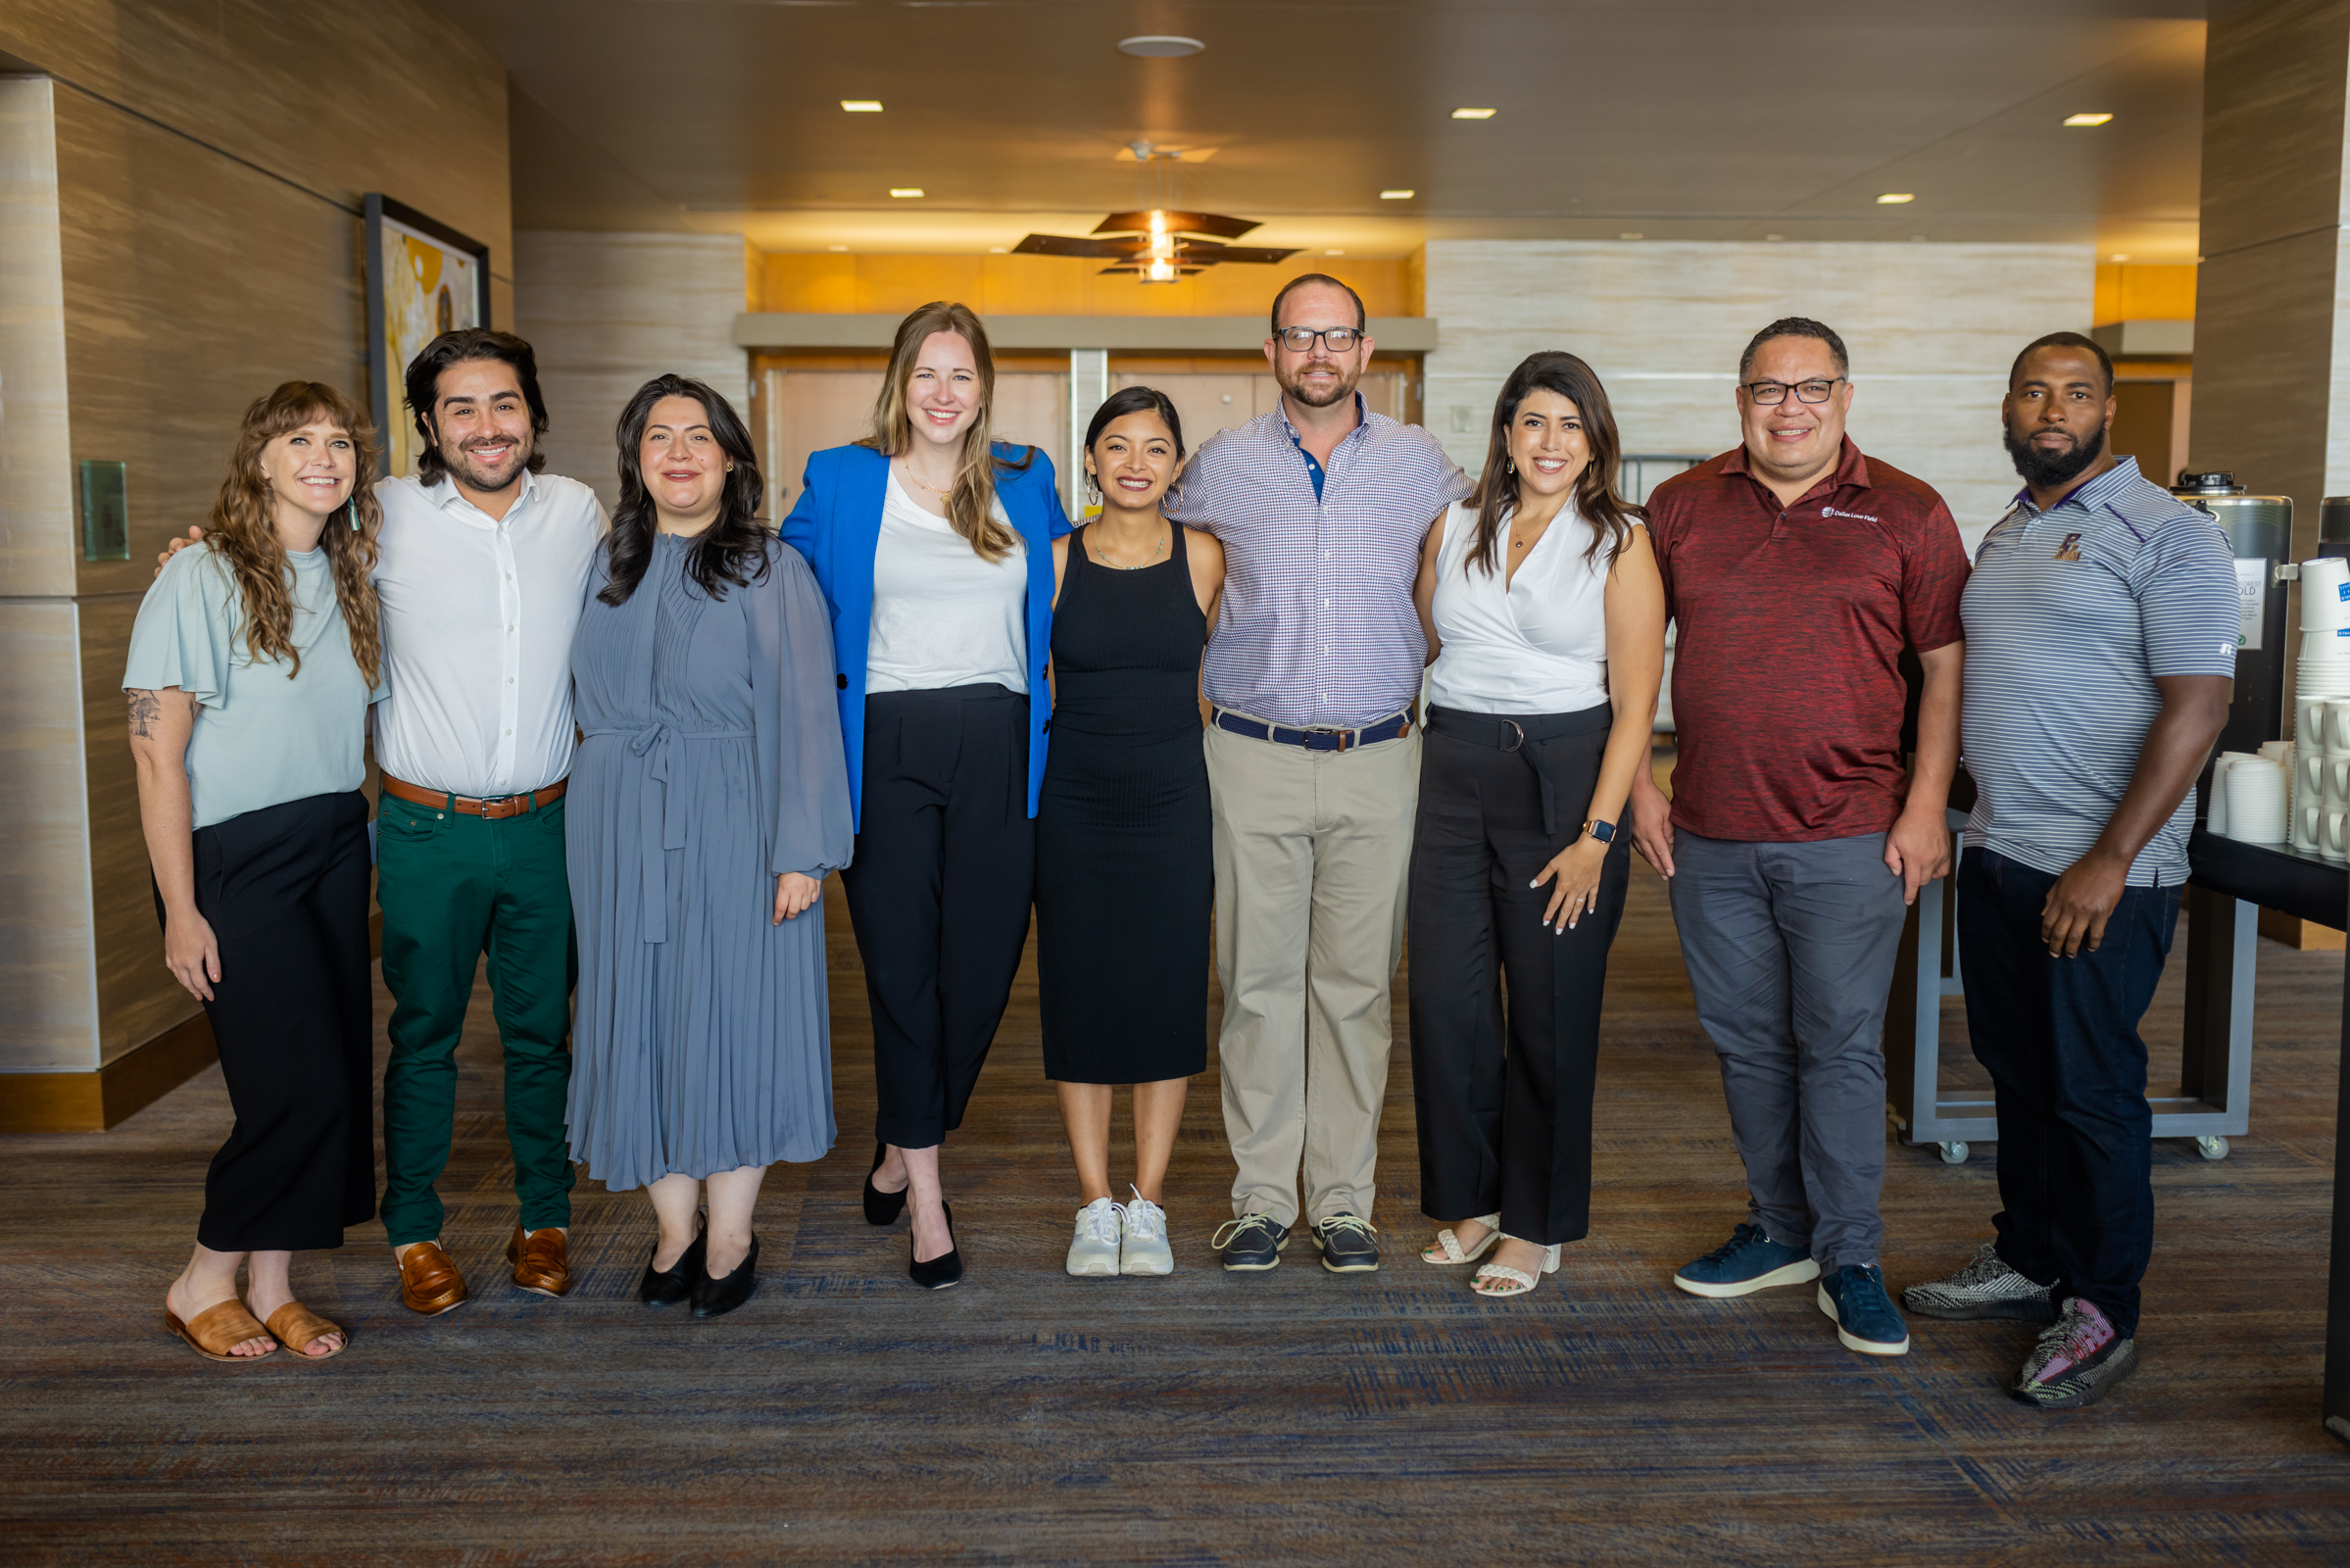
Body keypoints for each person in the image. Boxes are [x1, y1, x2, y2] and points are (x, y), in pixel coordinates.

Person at [164, 330, 608, 1315]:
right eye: (460, 408)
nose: (486, 426)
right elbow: (279, 544)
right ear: (427, 426)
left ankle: (547, 1216)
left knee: (542, 1036)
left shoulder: (578, 512)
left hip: (545, 826)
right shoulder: (383, 513)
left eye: (503, 404)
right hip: (422, 832)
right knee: (424, 1036)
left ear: (533, 413)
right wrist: (199, 553)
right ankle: (415, 1228)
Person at [1626, 317, 1969, 1357]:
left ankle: (1851, 1255)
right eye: (1768, 390)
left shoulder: (1906, 510)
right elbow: (1630, 655)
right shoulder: (1679, 507)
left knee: (1839, 1048)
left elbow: (1946, 669)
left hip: (1850, 835)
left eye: (1810, 388)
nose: (1790, 408)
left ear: (1845, 396)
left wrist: (1923, 806)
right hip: (1710, 835)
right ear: (1739, 401)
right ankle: (1778, 1228)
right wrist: (1638, 781)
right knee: (1746, 1046)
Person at [1903, 332, 2234, 1408]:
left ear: (2107, 413)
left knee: (2091, 1091)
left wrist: (2110, 856)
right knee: (2018, 1072)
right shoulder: (2010, 526)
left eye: (2076, 393)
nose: (2053, 409)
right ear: (2007, 407)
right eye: (2034, 392)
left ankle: (2100, 1305)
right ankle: (2031, 1258)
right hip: (1999, 852)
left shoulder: (2167, 534)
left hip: (2101, 873)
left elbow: (2200, 706)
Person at [1162, 274, 1473, 1275]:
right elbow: (1152, 556)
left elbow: (1485, 554)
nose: (1318, 353)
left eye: (1335, 335)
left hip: (1381, 757)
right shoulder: (1219, 467)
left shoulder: (1423, 463)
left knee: (1353, 990)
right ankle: (1259, 1198)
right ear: (1271, 352)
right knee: (1252, 984)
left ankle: (1341, 1200)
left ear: (1365, 349)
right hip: (1248, 753)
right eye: (1299, 337)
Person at [782, 301, 1070, 1290]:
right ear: (898, 384)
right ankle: (928, 1202)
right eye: (925, 374)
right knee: (901, 971)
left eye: (960, 375)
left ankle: (901, 1141)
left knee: (982, 971)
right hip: (886, 746)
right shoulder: (841, 476)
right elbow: (775, 590)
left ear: (984, 387)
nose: (942, 393)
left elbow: (1082, 594)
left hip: (1000, 739)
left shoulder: (1028, 479)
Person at [565, 375, 853, 1319]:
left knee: (737, 1015)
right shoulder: (602, 563)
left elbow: (810, 711)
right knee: (634, 1015)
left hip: (738, 817)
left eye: (699, 435)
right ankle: (674, 1228)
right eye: (658, 436)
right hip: (615, 820)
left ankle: (730, 1232)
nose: (679, 452)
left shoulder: (769, 569)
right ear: (635, 458)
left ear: (732, 457)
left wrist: (801, 851)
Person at [130, 382, 387, 1362]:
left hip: (330, 841)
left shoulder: (351, 574)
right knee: (295, 1086)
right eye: (299, 440)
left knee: (334, 1073)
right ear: (261, 461)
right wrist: (182, 909)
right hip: (232, 859)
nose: (324, 456)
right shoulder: (197, 573)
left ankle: (274, 1284)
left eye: (340, 442)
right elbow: (156, 753)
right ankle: (203, 1276)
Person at [1405, 352, 1665, 1298]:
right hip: (1451, 771)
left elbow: (1637, 704)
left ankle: (1537, 1224)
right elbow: (1423, 642)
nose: (1551, 442)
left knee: (1550, 1015)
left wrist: (1599, 835)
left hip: (1565, 779)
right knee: (1448, 1005)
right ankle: (1471, 1200)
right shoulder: (1458, 522)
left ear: (1594, 439)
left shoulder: (1621, 540)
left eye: (1570, 424)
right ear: (1506, 436)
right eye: (1533, 423)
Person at [1037, 387, 1226, 1278]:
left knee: (1164, 992)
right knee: (1079, 994)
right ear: (1091, 461)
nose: (1137, 463)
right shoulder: (1054, 561)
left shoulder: (1204, 557)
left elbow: (1216, 680)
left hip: (1175, 799)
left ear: (1177, 466)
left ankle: (1146, 1204)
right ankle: (1092, 1201)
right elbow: (1034, 681)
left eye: (1156, 449)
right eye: (1118, 446)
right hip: (1074, 801)